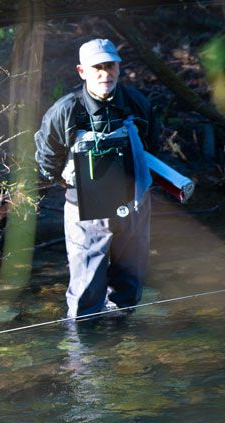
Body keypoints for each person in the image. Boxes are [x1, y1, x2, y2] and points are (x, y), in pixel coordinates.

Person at [35, 38, 160, 318]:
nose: (105, 74)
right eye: (97, 68)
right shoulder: (65, 110)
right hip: (85, 210)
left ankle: (119, 345)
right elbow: (46, 159)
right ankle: (83, 354)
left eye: (110, 66)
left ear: (119, 67)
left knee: (130, 283)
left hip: (133, 205)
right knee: (86, 291)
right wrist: (67, 182)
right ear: (82, 71)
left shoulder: (137, 104)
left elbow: (153, 145)